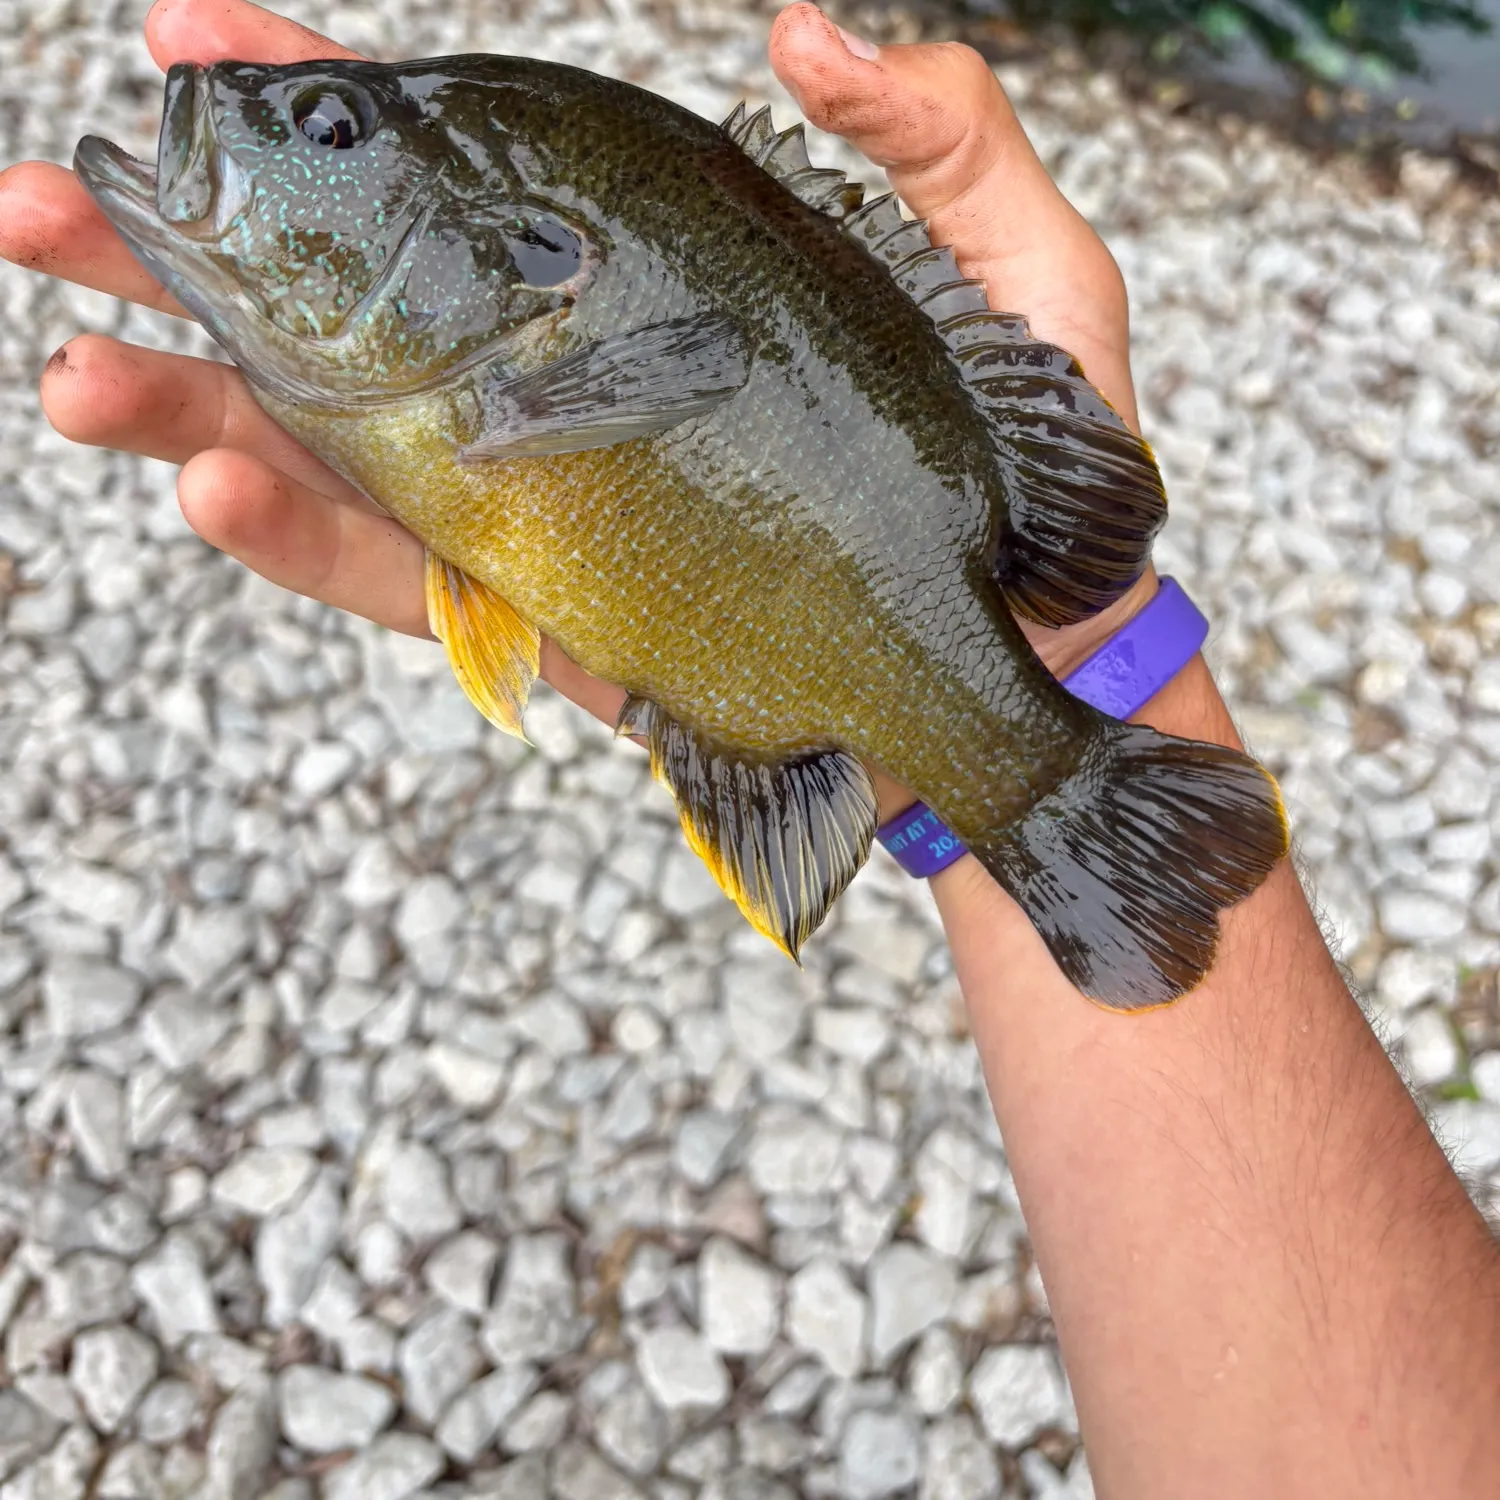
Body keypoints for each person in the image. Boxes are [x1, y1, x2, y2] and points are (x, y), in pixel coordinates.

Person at [2, 0, 1497, 1491]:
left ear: (522, 264)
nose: (261, 120)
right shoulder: (482, 323)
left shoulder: (507, 317)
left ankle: (1027, 774)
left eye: (332, 130)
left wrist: (1059, 667)